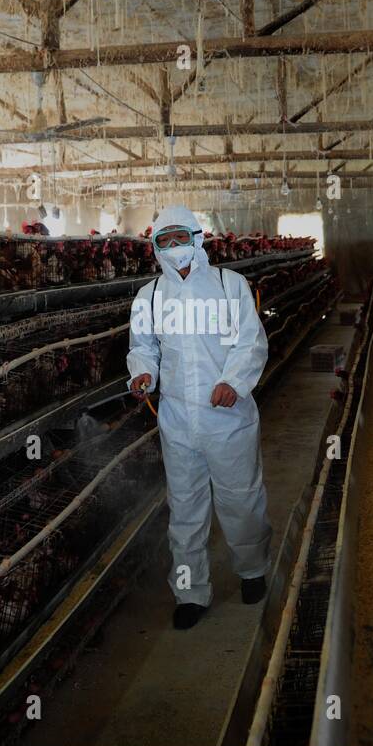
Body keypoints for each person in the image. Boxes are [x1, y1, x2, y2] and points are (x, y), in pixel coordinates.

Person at [127, 205, 272, 630]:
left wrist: (235, 381)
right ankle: (191, 592)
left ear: (198, 238)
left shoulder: (231, 286)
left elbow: (251, 343)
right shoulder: (149, 296)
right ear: (155, 248)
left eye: (180, 238)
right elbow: (142, 347)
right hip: (176, 418)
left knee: (241, 498)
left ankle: (252, 571)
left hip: (227, 416)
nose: (173, 248)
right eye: (164, 241)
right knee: (185, 508)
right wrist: (143, 375)